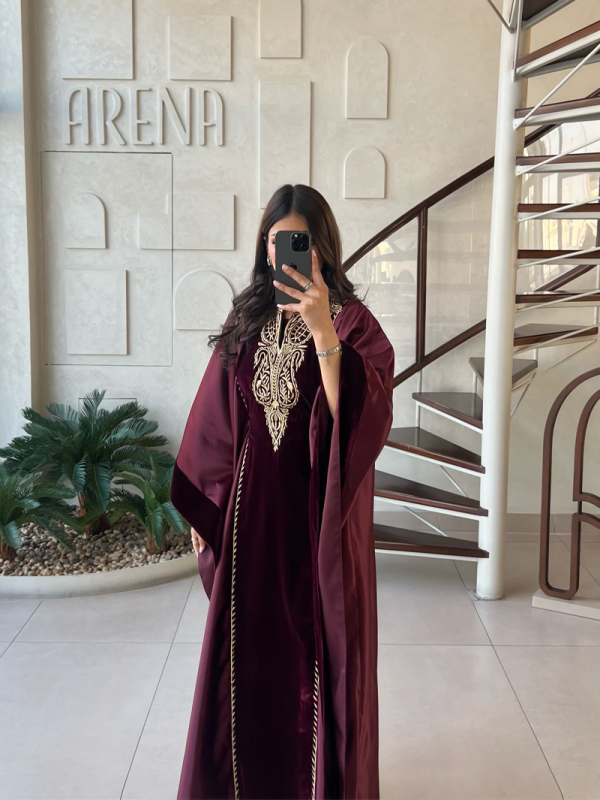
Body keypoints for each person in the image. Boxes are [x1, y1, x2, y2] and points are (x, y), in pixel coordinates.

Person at [170, 183, 395, 800]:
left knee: (313, 666)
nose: (286, 251)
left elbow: (364, 418)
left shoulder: (353, 323)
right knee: (248, 661)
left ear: (322, 248)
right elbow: (218, 417)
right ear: (265, 247)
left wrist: (323, 331)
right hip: (250, 525)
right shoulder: (247, 320)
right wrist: (205, 504)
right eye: (277, 240)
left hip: (317, 528)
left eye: (300, 240)